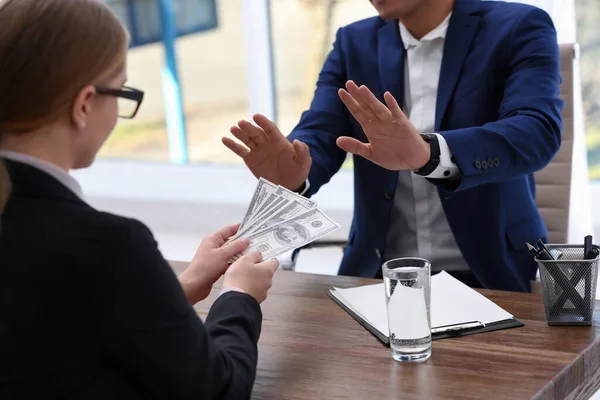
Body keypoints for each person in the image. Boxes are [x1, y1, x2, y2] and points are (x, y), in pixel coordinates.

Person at [0, 0, 278, 398]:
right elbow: (218, 390)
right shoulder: (107, 245)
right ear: (83, 105)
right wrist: (240, 296)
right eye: (122, 91)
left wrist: (177, 289)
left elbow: (59, 333)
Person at [223, 0, 564, 292]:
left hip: (492, 273)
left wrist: (431, 154)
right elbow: (321, 130)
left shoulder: (519, 26)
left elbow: (536, 130)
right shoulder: (353, 42)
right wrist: (297, 174)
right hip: (379, 275)